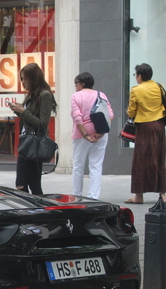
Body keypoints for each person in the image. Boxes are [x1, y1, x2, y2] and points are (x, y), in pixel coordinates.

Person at [8, 63, 57, 195]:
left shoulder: (44, 95)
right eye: (21, 79)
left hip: (34, 144)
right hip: (26, 142)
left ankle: (41, 211)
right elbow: (28, 119)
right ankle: (31, 210)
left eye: (24, 79)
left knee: (34, 185)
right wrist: (18, 110)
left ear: (33, 78)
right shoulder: (31, 95)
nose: (23, 82)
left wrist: (23, 111)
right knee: (20, 184)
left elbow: (42, 123)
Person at [124, 63, 166, 204]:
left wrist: (129, 113)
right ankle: (163, 194)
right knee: (160, 157)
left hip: (144, 127)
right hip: (159, 126)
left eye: (136, 75)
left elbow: (131, 111)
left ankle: (139, 196)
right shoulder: (159, 87)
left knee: (140, 159)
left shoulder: (136, 90)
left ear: (140, 76)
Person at [70, 72, 114, 199]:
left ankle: (77, 195)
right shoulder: (102, 95)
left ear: (82, 83)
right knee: (96, 166)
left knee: (78, 165)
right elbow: (110, 115)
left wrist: (85, 135)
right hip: (101, 134)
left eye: (76, 83)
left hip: (81, 135)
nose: (75, 86)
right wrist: (100, 133)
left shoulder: (76, 96)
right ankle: (93, 197)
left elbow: (77, 117)